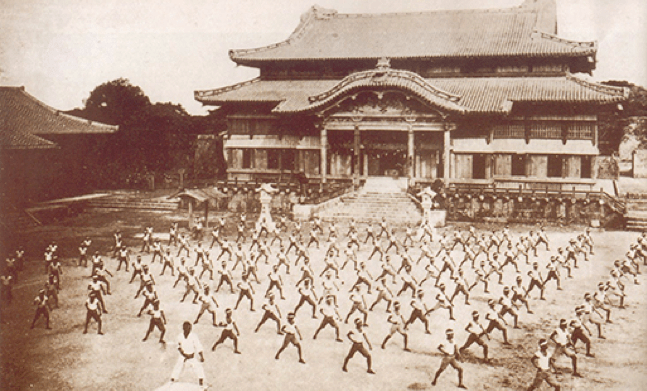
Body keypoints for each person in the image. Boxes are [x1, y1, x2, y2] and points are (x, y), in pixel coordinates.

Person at [171, 322, 206, 388]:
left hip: (191, 356)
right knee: (178, 366)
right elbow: (178, 346)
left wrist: (201, 356)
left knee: (199, 367)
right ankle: (173, 379)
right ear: (183, 328)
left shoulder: (194, 336)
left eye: (189, 328)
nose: (188, 329)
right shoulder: (180, 336)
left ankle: (201, 381)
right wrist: (182, 353)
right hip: (183, 356)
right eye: (186, 328)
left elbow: (198, 346)